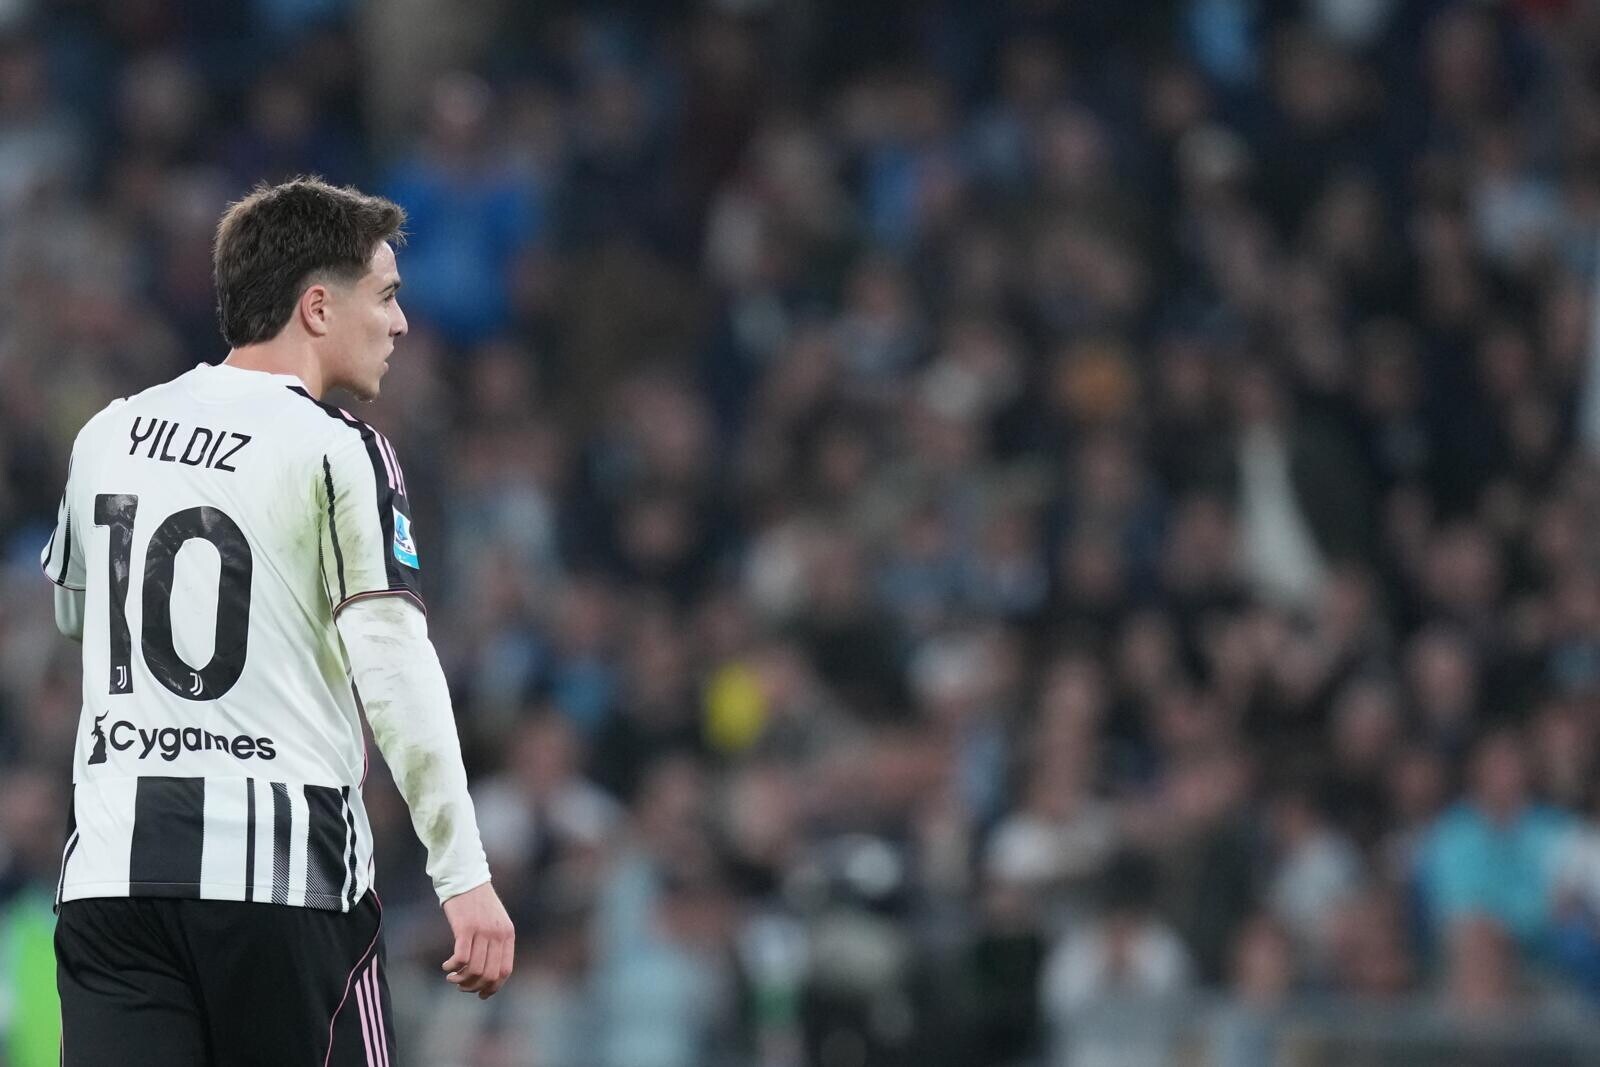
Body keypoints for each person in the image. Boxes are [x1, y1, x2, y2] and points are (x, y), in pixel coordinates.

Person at [39, 177, 514, 1066]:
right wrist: (463, 874)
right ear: (318, 307)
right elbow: (394, 666)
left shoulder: (108, 432)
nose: (401, 323)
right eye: (386, 296)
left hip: (113, 876)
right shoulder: (338, 448)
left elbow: (78, 612)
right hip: (283, 884)